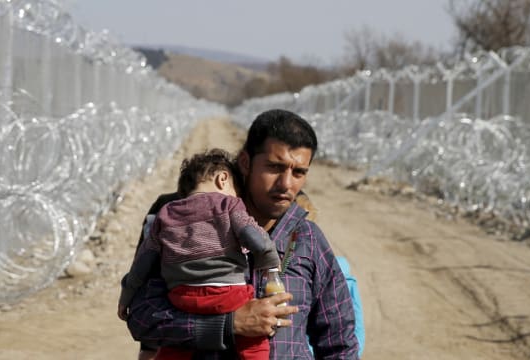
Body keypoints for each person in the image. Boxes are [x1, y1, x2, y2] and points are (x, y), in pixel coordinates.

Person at [123, 109, 360, 359]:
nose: (286, 184)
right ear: (245, 163)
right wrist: (228, 325)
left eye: (298, 172)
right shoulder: (184, 230)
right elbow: (142, 317)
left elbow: (339, 341)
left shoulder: (307, 239)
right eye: (274, 167)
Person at [118, 149, 281, 360]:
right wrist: (270, 264)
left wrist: (126, 297)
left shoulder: (165, 213)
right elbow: (254, 237)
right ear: (223, 179)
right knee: (254, 342)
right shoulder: (228, 203)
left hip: (181, 299)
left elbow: (143, 262)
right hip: (229, 295)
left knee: (176, 346)